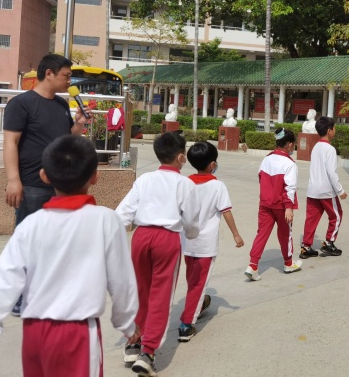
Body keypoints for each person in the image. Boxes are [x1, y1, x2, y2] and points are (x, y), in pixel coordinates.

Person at [0, 135, 139, 376]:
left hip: (34, 332)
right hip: (77, 334)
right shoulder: (105, 220)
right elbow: (121, 280)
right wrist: (127, 323)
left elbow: (5, 274)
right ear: (95, 176)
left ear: (44, 176)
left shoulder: (31, 225)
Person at [3, 53, 90, 316]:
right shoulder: (22, 104)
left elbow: (65, 138)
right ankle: (18, 296)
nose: (69, 81)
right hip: (31, 184)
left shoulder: (62, 105)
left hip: (60, 185)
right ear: (49, 73)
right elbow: (10, 142)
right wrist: (13, 180)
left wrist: (78, 126)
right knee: (27, 241)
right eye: (66, 76)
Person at [115, 131, 201, 376]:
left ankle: (133, 342)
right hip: (167, 238)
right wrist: (192, 235)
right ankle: (148, 351)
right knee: (160, 295)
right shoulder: (185, 184)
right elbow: (191, 221)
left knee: (139, 290)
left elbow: (123, 212)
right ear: (181, 157)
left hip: (141, 236)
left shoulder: (145, 179)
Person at [179, 142, 244, 342]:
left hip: (187, 242)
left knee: (192, 280)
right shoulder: (217, 186)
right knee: (199, 283)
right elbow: (226, 212)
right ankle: (186, 324)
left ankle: (198, 304)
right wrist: (236, 234)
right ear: (213, 164)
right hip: (205, 245)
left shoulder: (185, 183)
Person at [245, 128, 303, 281]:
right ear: (289, 145)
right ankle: (288, 263)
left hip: (265, 204)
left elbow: (261, 178)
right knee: (285, 234)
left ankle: (252, 265)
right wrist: (289, 207)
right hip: (282, 206)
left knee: (261, 233)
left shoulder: (266, 159)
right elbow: (290, 187)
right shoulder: (290, 164)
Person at [300, 116, 348, 259]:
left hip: (313, 190)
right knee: (337, 215)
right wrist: (340, 190)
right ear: (329, 130)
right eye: (334, 128)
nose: (335, 130)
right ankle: (329, 243)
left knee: (311, 219)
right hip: (326, 191)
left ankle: (306, 247)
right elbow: (331, 172)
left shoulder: (316, 147)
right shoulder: (330, 149)